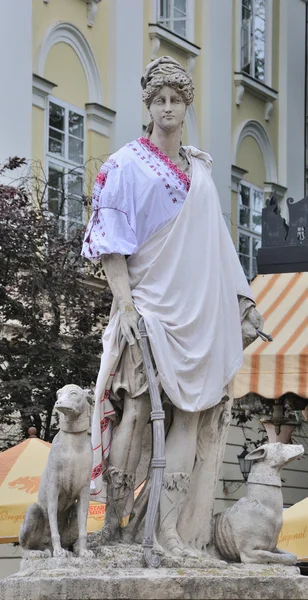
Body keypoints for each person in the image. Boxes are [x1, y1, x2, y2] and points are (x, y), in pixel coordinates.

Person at [82, 56, 263, 558]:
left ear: (186, 107)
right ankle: (116, 529)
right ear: (148, 106)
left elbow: (219, 244)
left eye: (176, 100)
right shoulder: (125, 165)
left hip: (198, 311)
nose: (167, 109)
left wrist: (241, 301)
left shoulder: (200, 169)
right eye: (159, 100)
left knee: (190, 413)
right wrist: (125, 306)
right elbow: (110, 246)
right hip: (148, 307)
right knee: (137, 410)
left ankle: (168, 530)